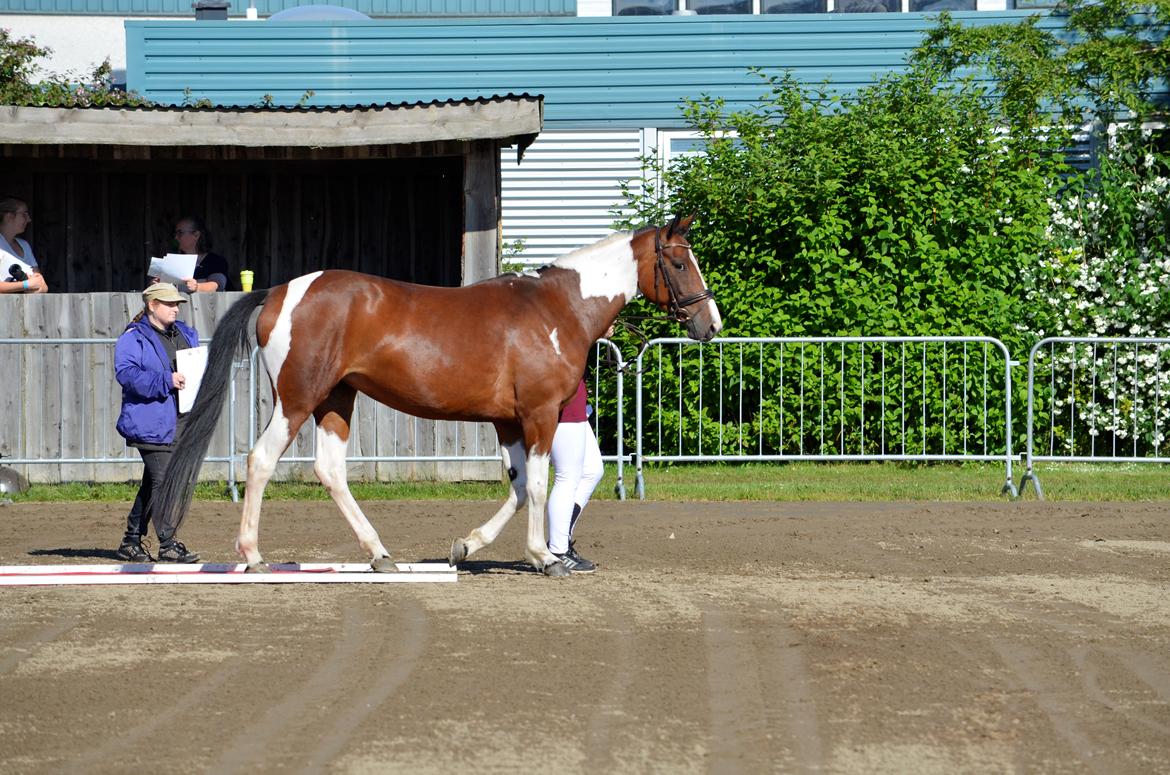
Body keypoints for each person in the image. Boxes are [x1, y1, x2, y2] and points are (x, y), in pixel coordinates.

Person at [113, 282, 201, 563]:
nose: (176, 308)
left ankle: (130, 541)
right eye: (169, 304)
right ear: (152, 305)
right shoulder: (133, 338)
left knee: (153, 482)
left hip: (180, 419)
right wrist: (166, 380)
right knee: (165, 480)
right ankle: (168, 542)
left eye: (177, 304)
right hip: (149, 421)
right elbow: (126, 375)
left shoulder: (185, 334)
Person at [546, 376, 605, 574]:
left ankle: (560, 539)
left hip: (575, 396)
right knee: (567, 477)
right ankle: (558, 551)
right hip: (563, 397)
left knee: (592, 470)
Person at [0, 197, 48, 294]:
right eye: (24, 214)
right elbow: (31, 283)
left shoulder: (24, 245)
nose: (29, 219)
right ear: (9, 216)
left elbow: (41, 284)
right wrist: (26, 285)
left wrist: (40, 288)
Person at [173, 215, 231, 292]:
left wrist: (197, 287)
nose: (176, 237)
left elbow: (216, 285)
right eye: (176, 233)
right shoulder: (175, 262)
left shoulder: (215, 261)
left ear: (196, 235)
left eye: (180, 233)